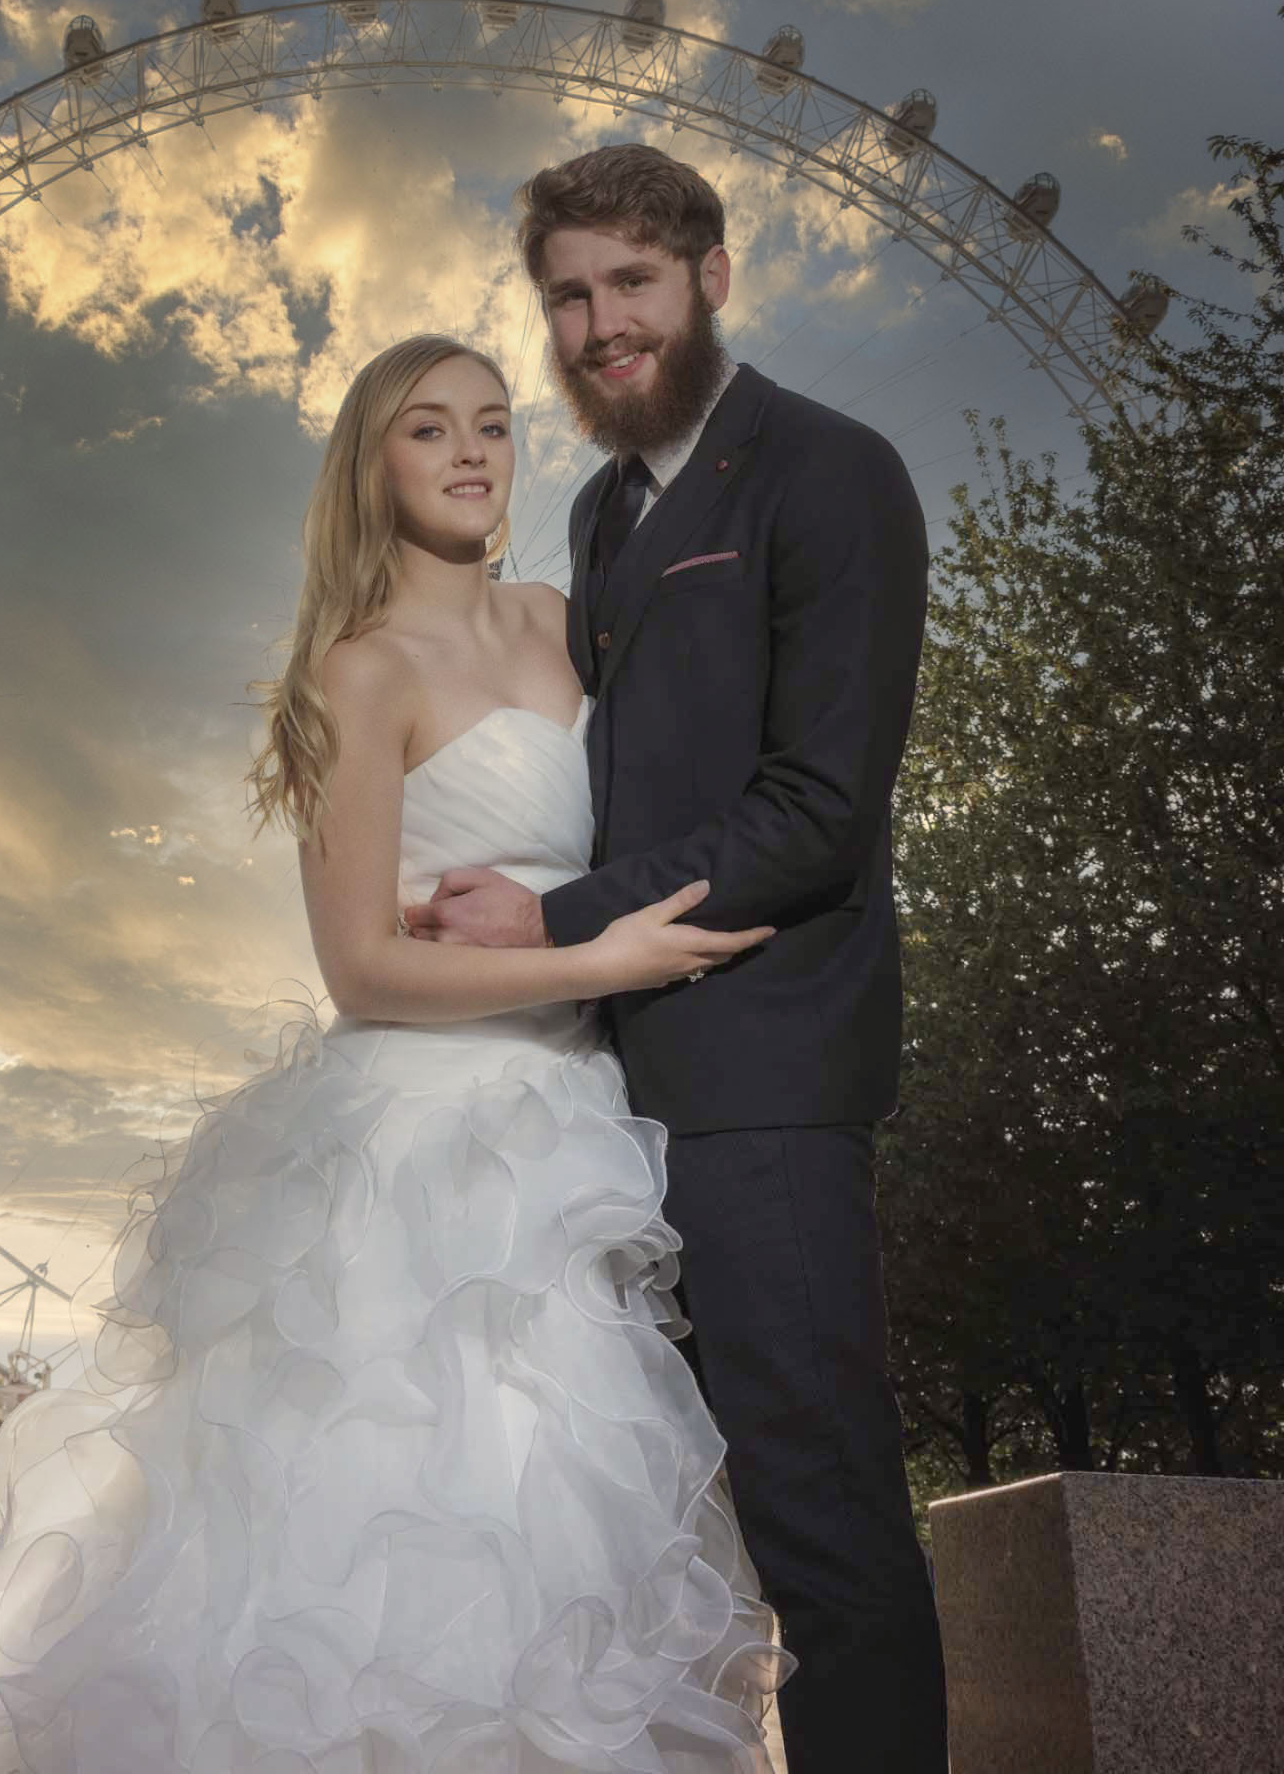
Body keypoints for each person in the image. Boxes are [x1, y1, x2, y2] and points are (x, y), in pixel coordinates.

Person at [0, 333, 792, 1773]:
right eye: (430, 428)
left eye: (493, 423)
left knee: (556, 1533)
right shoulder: (358, 675)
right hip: (421, 1148)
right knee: (374, 1543)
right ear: (373, 464)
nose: (474, 451)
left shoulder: (568, 621)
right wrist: (600, 960)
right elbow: (360, 964)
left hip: (574, 1134)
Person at [402, 145, 950, 1774]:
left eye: (630, 283)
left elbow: (816, 816)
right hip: (598, 1096)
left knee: (820, 1518)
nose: (596, 326)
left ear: (712, 274)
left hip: (765, 1079)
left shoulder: (831, 470)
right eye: (567, 296)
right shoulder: (600, 505)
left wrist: (553, 920)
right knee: (643, 1535)